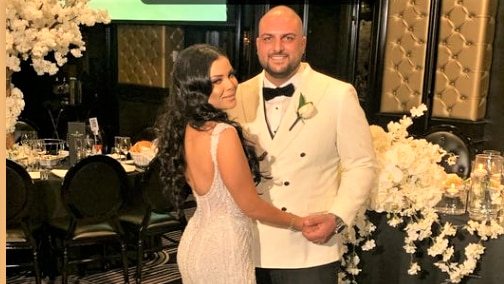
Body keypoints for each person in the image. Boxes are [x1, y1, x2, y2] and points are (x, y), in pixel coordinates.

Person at [226, 5, 377, 284]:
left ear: (303, 43)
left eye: (288, 38)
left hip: (310, 247)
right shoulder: (236, 96)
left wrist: (338, 216)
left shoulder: (337, 94)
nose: (278, 47)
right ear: (257, 44)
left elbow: (362, 164)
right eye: (269, 38)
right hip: (248, 243)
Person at [155, 43, 316, 284]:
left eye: (230, 74)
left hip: (193, 242)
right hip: (225, 250)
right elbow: (251, 206)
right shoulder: (222, 133)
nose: (231, 84)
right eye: (217, 80)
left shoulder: (186, 128)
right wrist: (298, 222)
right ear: (195, 87)